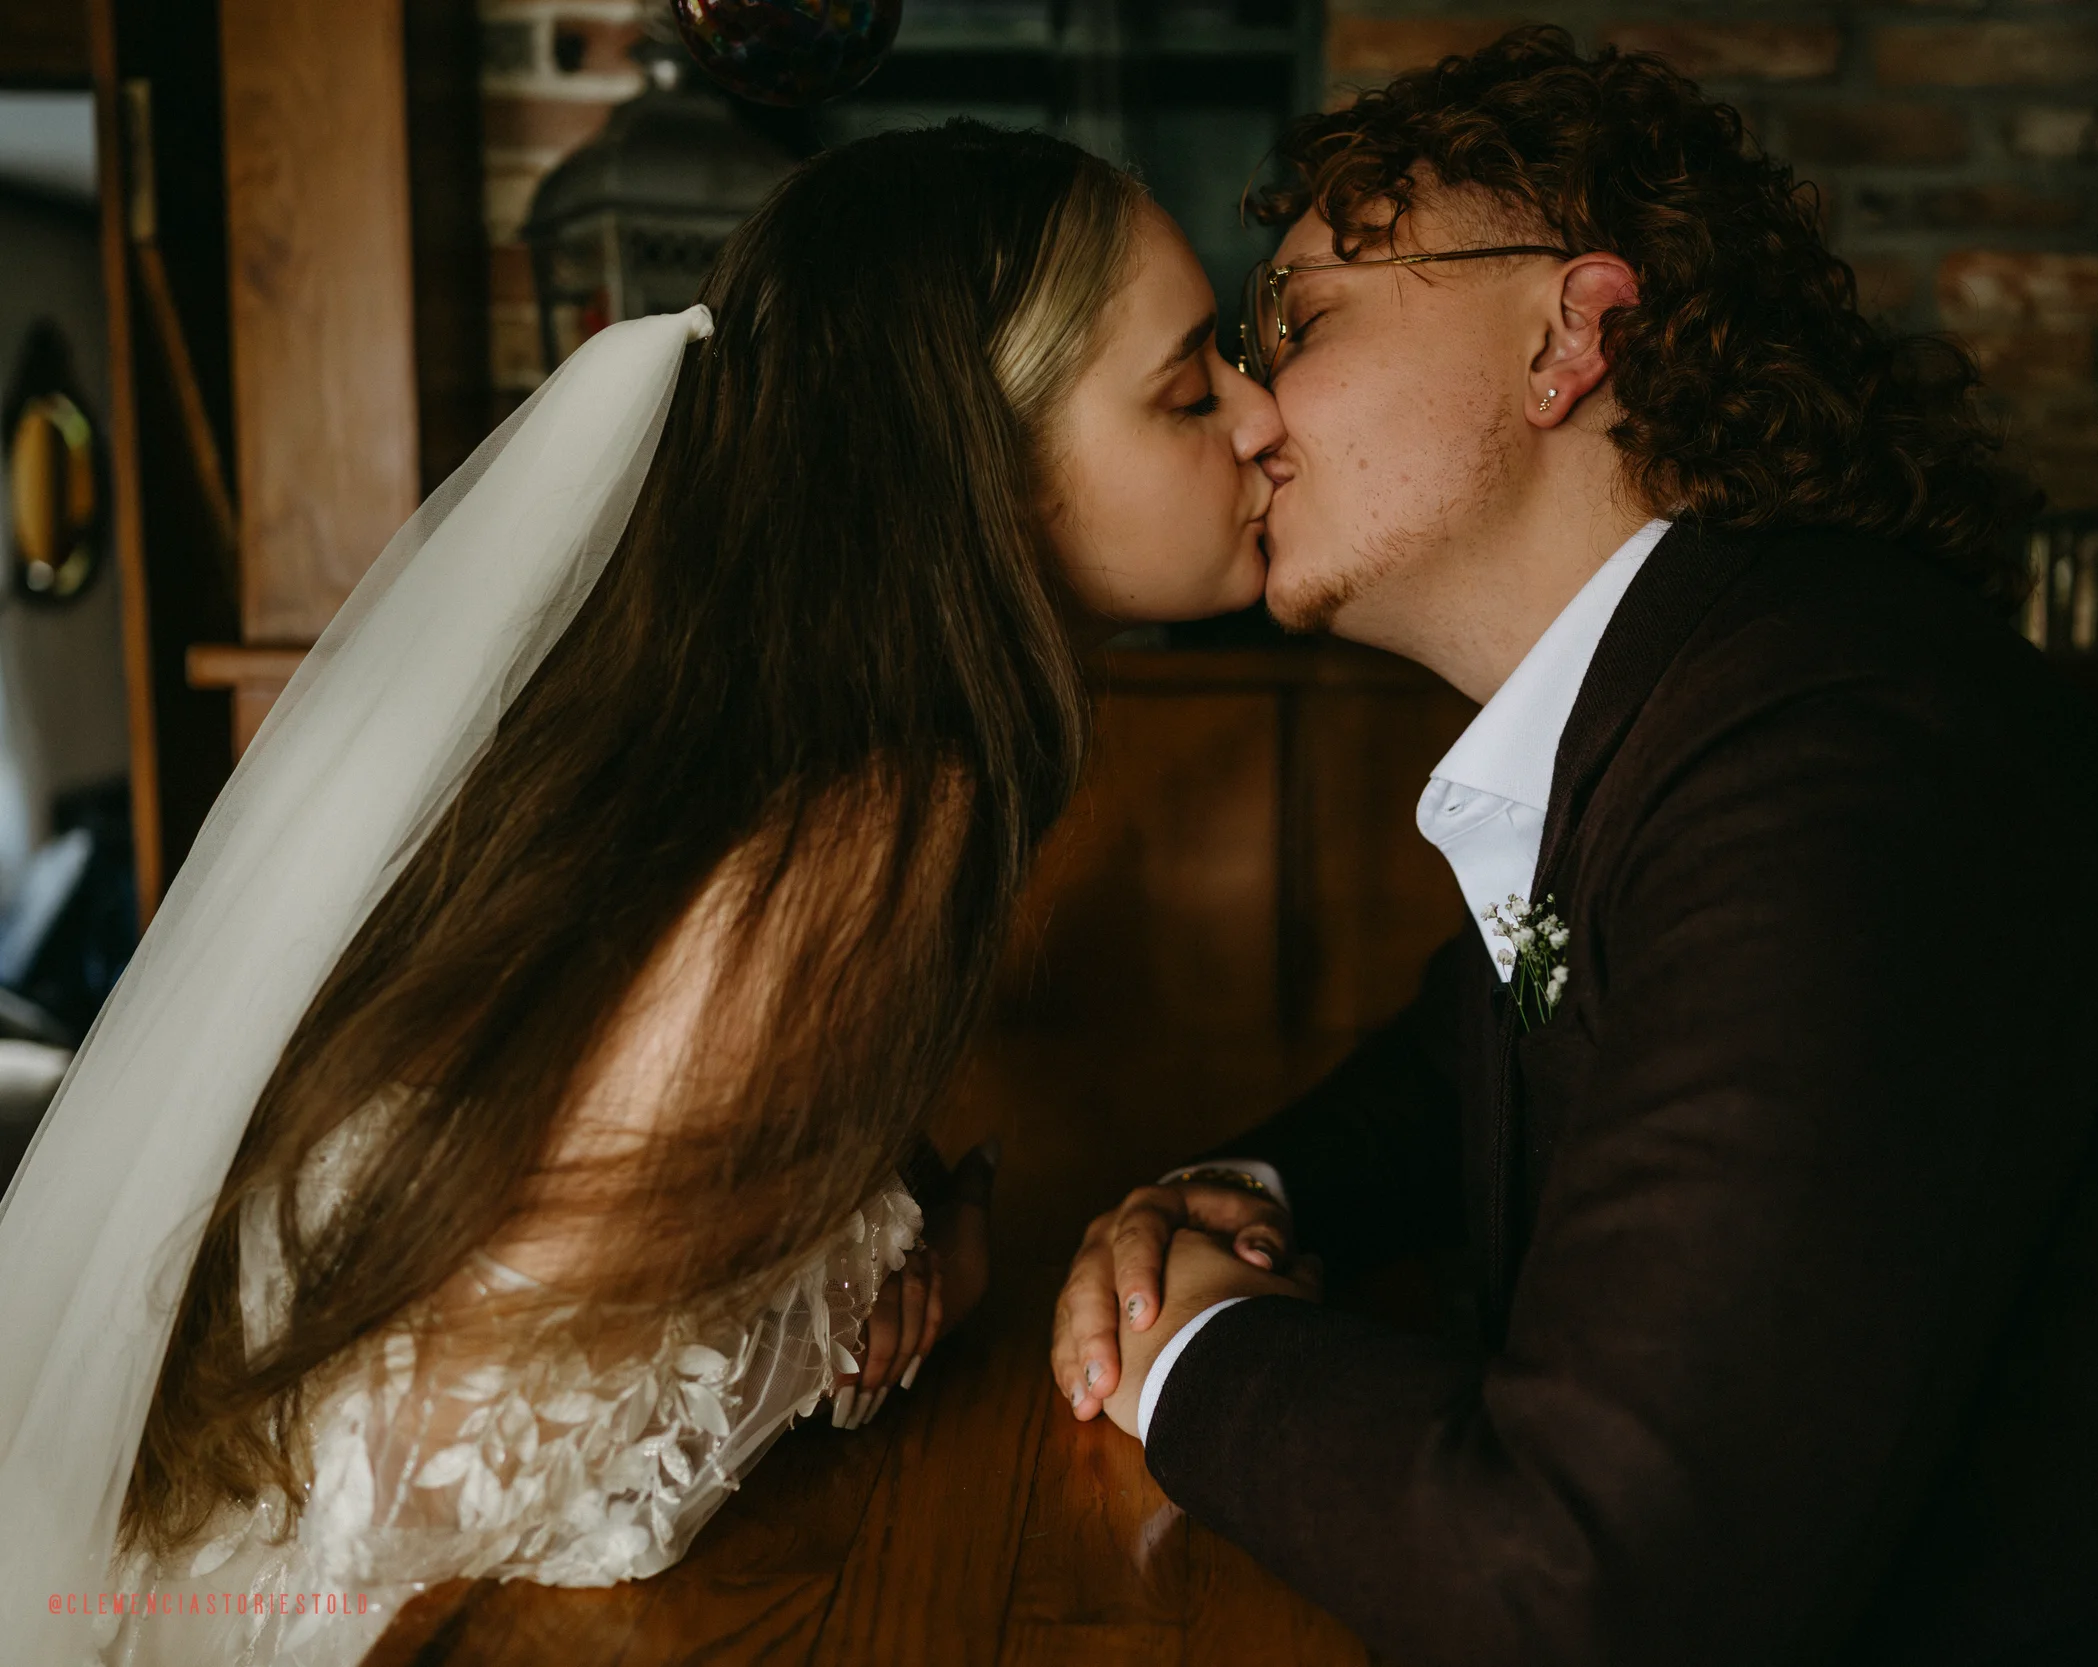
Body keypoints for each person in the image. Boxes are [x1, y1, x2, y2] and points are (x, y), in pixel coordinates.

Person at [1052, 30, 2098, 1666]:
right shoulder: (1712, 685)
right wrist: (1243, 1184)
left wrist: (1193, 1348)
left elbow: (1589, 1578)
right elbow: (1478, 1041)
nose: (1247, 414)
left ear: (1570, 334)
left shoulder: (1839, 764)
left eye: (1299, 323)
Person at [0, 121, 1282, 1666]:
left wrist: (895, 1241)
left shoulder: (794, 748)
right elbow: (466, 1419)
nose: (1264, 422)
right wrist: (919, 1264)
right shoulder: (887, 817)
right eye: (1190, 387)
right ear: (982, 466)